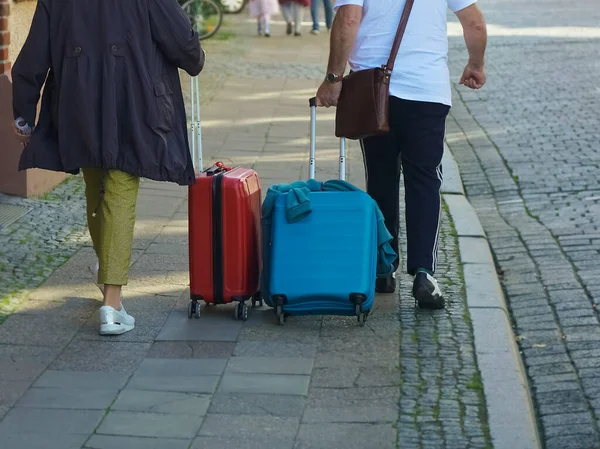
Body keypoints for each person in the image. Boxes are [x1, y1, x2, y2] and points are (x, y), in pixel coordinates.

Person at [12, 0, 205, 335]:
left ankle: (108, 281)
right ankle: (112, 305)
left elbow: (33, 54)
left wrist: (23, 114)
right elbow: (180, 39)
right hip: (133, 102)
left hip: (77, 102)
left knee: (95, 185)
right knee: (120, 189)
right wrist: (195, 59)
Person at [315, 0, 487, 309]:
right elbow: (473, 23)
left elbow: (347, 20)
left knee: (381, 179)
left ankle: (383, 268)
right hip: (427, 91)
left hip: (372, 90)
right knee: (424, 181)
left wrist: (333, 78)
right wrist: (476, 65)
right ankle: (424, 273)